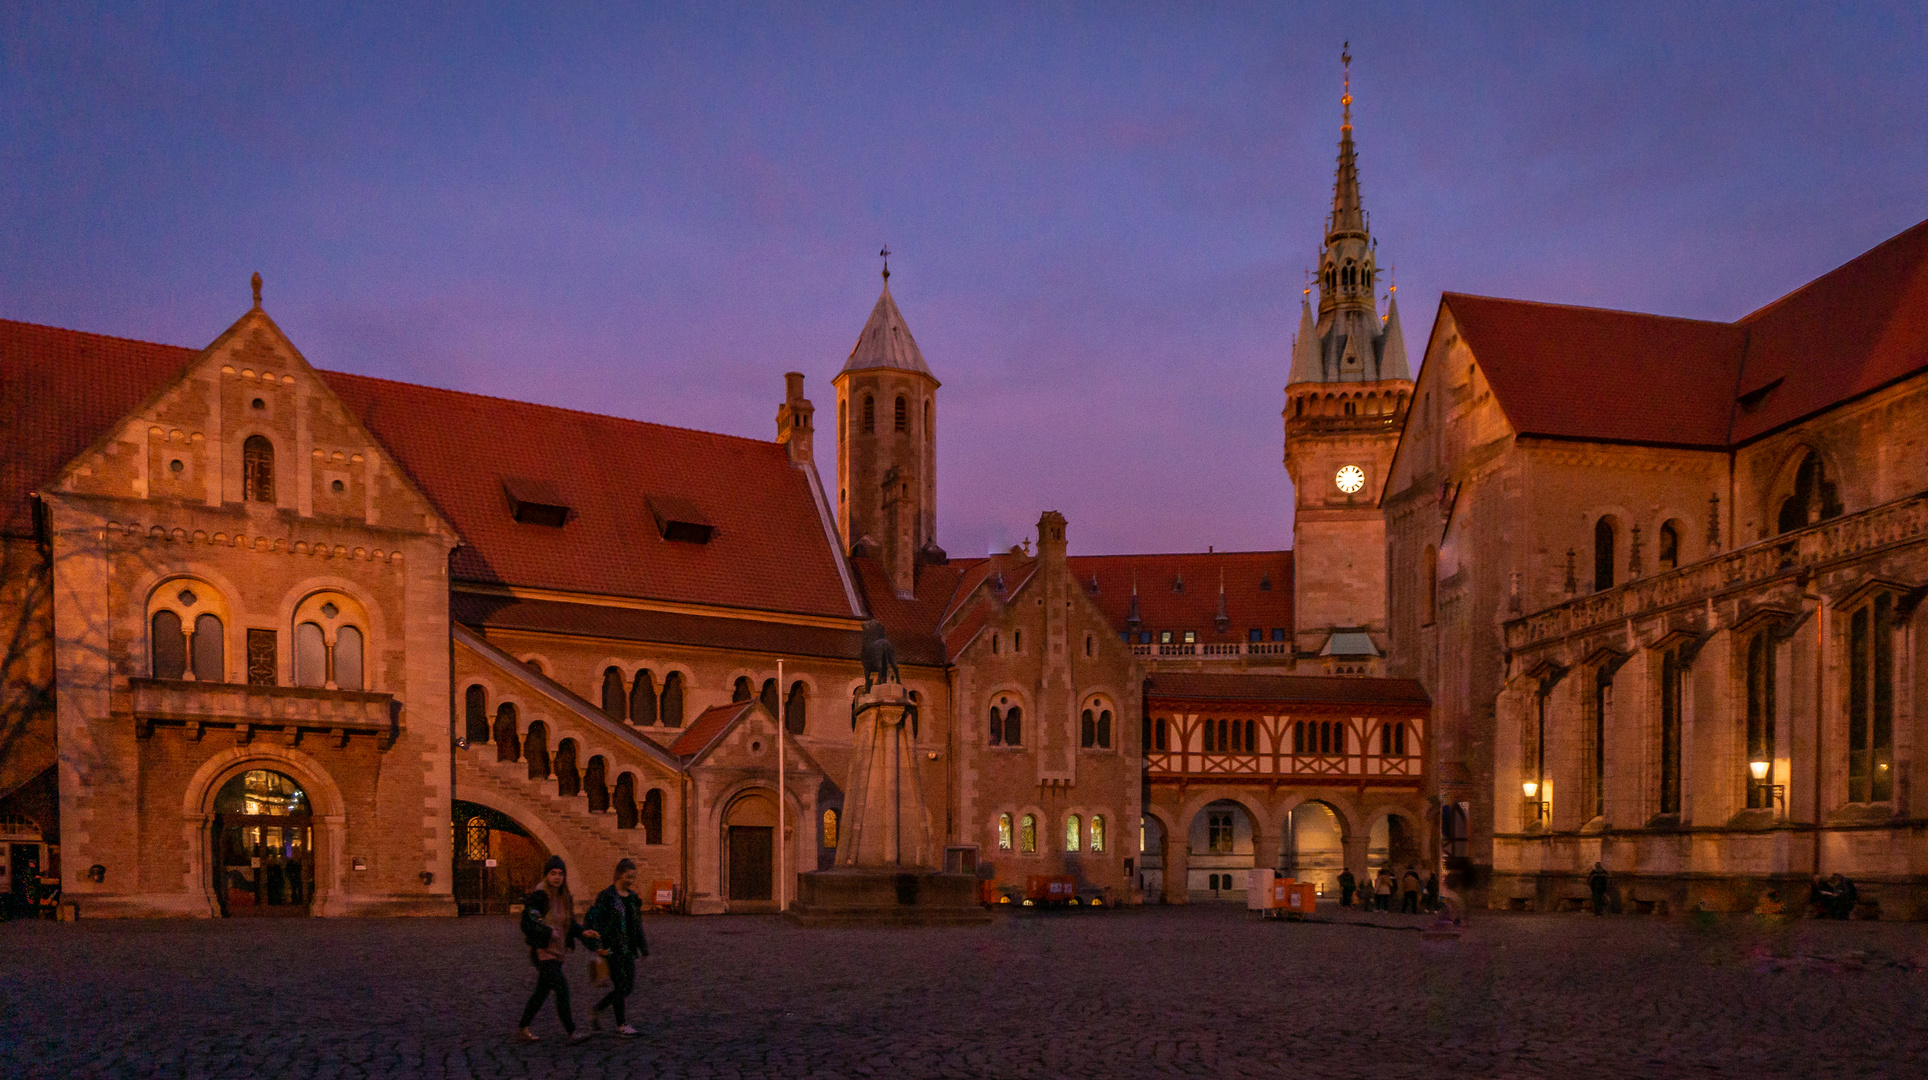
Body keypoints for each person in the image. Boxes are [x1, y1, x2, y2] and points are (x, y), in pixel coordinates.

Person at [518, 856, 599, 1043]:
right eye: (553, 873)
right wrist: (548, 932)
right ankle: (571, 1032)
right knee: (562, 989)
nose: (557, 877)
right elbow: (528, 922)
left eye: (560, 873)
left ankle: (523, 1026)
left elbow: (568, 924)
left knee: (541, 992)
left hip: (558, 950)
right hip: (543, 951)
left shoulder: (564, 897)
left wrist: (583, 932)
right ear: (546, 875)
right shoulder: (539, 896)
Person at [586, 858, 649, 1038]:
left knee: (627, 987)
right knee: (621, 985)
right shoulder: (606, 896)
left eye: (633, 878)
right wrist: (596, 945)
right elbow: (593, 921)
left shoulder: (632, 899)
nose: (630, 880)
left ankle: (598, 1008)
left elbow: (637, 926)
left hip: (627, 948)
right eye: (628, 876)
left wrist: (643, 948)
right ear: (619, 874)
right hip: (611, 949)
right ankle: (621, 1025)